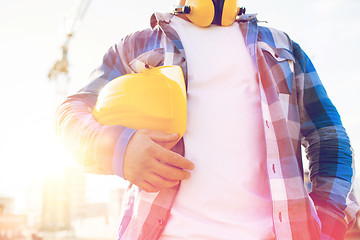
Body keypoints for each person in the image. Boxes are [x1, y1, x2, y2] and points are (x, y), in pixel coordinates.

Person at [56, 0, 359, 239]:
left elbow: (329, 136)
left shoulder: (284, 50)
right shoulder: (136, 47)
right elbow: (70, 115)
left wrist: (329, 220)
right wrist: (120, 151)